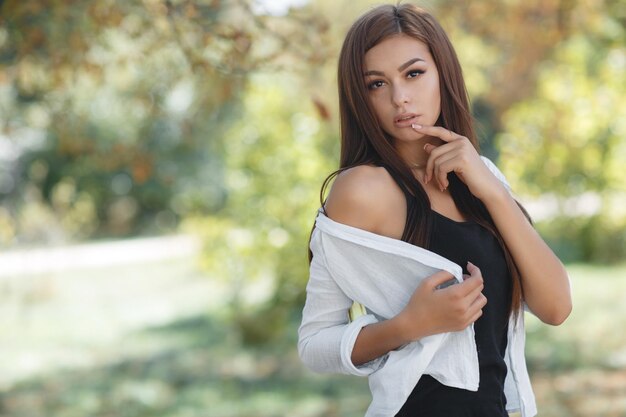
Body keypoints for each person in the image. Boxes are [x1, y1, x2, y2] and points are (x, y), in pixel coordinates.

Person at [297, 3, 572, 417]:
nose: (400, 97)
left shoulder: (481, 178)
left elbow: (555, 307)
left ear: (442, 72)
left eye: (413, 73)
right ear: (361, 97)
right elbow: (314, 343)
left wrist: (493, 193)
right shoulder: (361, 191)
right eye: (376, 84)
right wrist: (409, 325)